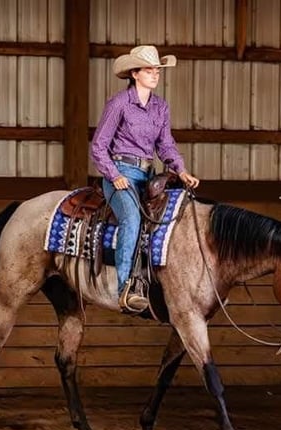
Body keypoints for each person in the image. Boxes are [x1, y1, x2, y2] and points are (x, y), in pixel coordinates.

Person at [91, 45, 200, 314]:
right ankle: (126, 288)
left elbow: (165, 145)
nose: (155, 75)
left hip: (149, 177)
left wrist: (181, 169)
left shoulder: (160, 107)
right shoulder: (119, 104)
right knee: (131, 219)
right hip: (121, 174)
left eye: (157, 71)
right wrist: (114, 175)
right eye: (149, 70)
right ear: (134, 73)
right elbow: (98, 146)